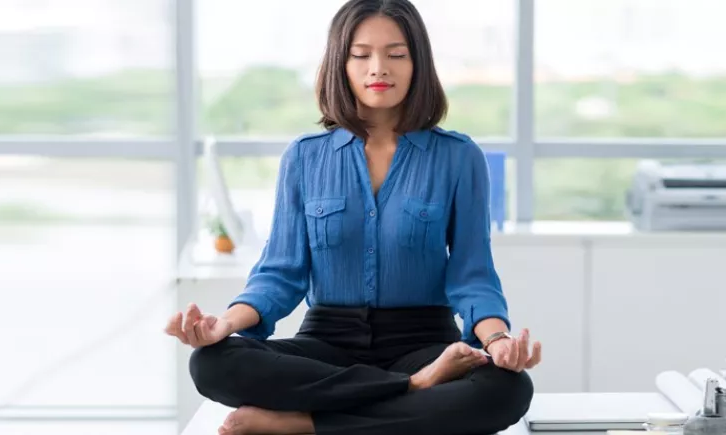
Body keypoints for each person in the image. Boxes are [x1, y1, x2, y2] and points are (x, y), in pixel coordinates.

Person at [164, 1, 540, 434]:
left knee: (507, 389)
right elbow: (280, 274)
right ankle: (414, 389)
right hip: (327, 340)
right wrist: (223, 324)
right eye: (361, 55)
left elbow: (472, 274)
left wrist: (498, 340)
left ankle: (305, 425)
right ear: (340, 64)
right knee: (211, 363)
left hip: (425, 339)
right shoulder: (305, 157)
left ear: (418, 63)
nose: (378, 68)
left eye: (396, 54)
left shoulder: (458, 157)